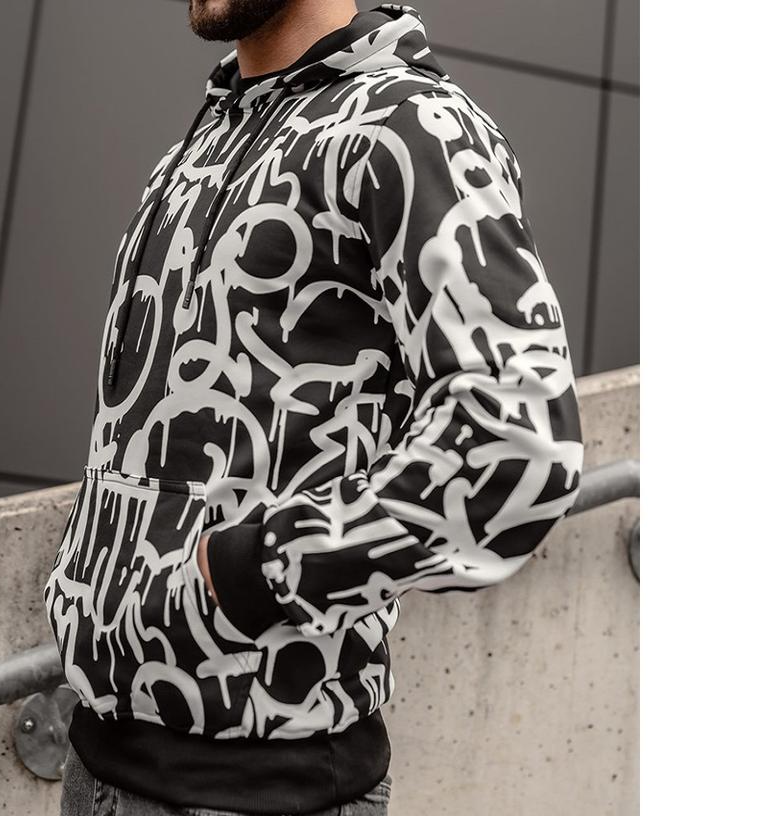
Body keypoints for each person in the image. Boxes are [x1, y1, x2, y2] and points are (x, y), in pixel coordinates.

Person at [44, 1, 585, 814]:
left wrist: (252, 572)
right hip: (98, 759)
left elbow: (517, 440)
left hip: (269, 786)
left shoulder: (410, 126)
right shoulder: (197, 148)